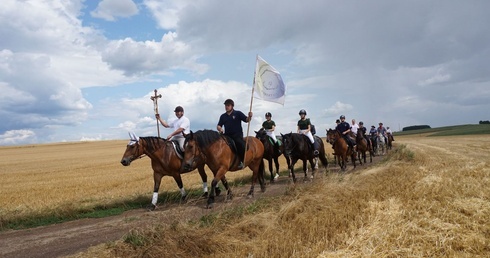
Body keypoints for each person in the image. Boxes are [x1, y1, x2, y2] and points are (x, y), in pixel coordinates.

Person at [217, 99, 252, 169]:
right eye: (225, 105)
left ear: (232, 106)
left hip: (237, 134)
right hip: (227, 135)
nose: (226, 107)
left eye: (228, 105)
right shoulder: (223, 116)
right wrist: (220, 128)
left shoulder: (238, 113)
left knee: (240, 144)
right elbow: (219, 125)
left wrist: (250, 116)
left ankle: (241, 161)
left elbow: (246, 120)